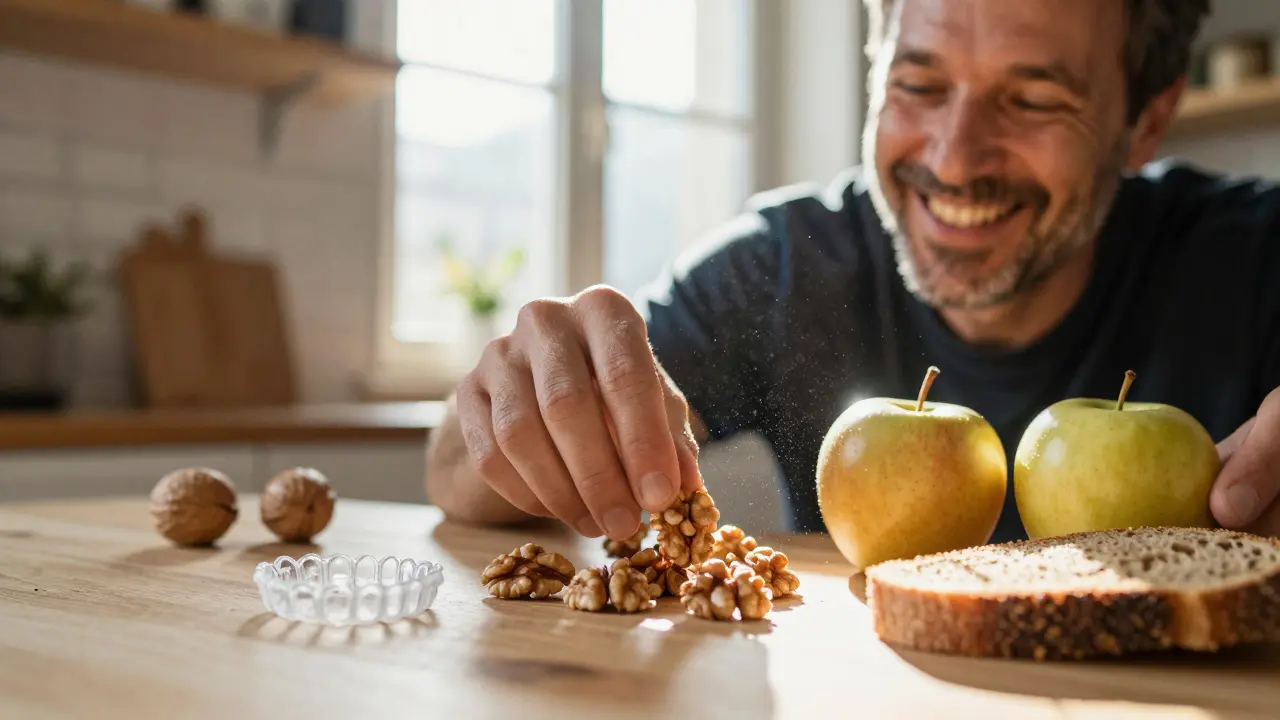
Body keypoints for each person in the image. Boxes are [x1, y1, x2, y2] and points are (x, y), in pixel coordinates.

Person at [425, 0, 1280, 546]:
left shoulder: (1257, 256)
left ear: (1146, 119)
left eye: (1031, 100)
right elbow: (454, 473)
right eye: (918, 84)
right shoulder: (781, 267)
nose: (954, 158)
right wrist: (526, 400)